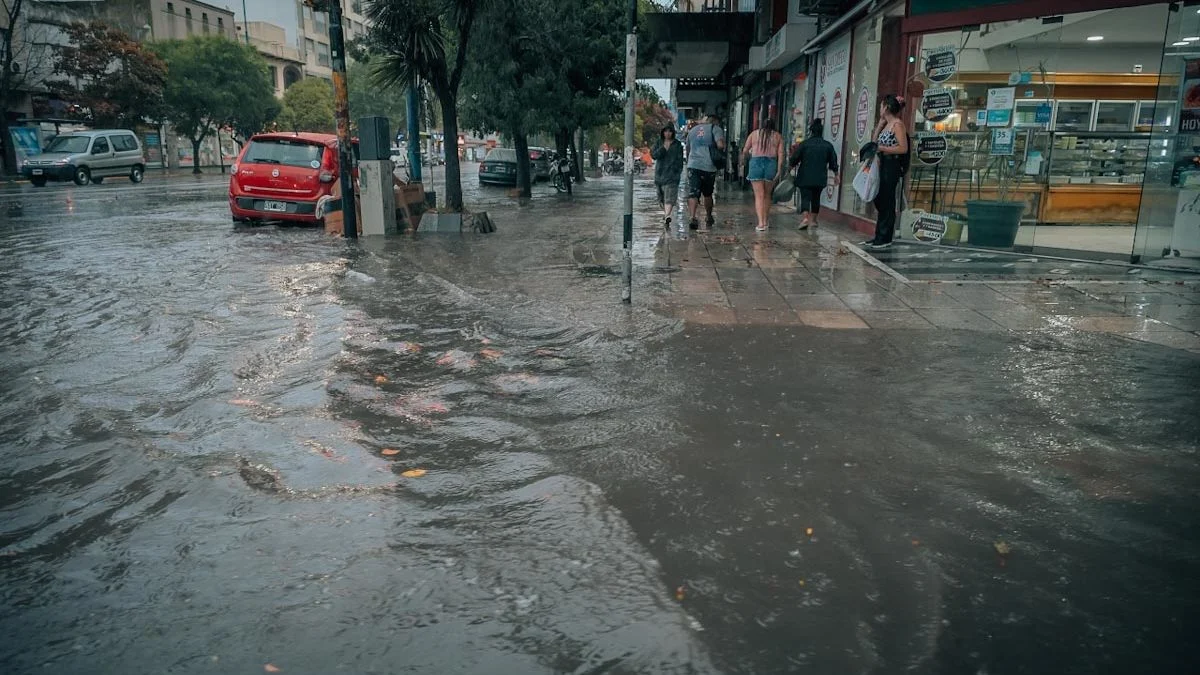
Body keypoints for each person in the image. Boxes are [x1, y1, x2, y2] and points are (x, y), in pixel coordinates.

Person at [863, 94, 909, 249]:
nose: (880, 109)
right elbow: (874, 141)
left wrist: (883, 149)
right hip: (881, 163)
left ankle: (885, 236)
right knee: (879, 197)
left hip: (891, 164)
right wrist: (881, 123)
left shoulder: (898, 125)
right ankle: (879, 234)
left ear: (887, 107)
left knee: (887, 199)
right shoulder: (887, 125)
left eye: (882, 106)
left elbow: (903, 148)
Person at [787, 118, 838, 231]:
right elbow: (833, 161)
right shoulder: (828, 145)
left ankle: (805, 218)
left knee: (805, 197)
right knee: (816, 198)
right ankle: (814, 220)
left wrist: (789, 167)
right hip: (820, 177)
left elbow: (795, 158)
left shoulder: (805, 144)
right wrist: (836, 174)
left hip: (805, 176)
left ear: (811, 131)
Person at [683, 113, 726, 231]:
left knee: (693, 193)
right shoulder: (716, 129)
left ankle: (692, 217)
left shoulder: (692, 130)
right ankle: (708, 216)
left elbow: (688, 148)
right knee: (707, 193)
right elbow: (721, 145)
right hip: (709, 166)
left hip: (693, 165)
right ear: (715, 122)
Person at [741, 119, 784, 232]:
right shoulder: (778, 136)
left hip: (755, 163)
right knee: (767, 195)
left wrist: (746, 158)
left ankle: (761, 223)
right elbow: (780, 154)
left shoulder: (754, 134)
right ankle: (765, 220)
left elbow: (745, 150)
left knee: (759, 195)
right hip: (771, 164)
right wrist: (779, 169)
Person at [652, 125, 685, 229]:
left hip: (672, 176)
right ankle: (666, 213)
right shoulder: (658, 143)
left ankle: (667, 216)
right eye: (665, 131)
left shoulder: (677, 145)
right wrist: (663, 148)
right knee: (661, 198)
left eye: (670, 131)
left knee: (669, 198)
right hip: (660, 175)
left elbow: (680, 160)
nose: (668, 134)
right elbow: (654, 155)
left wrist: (677, 171)